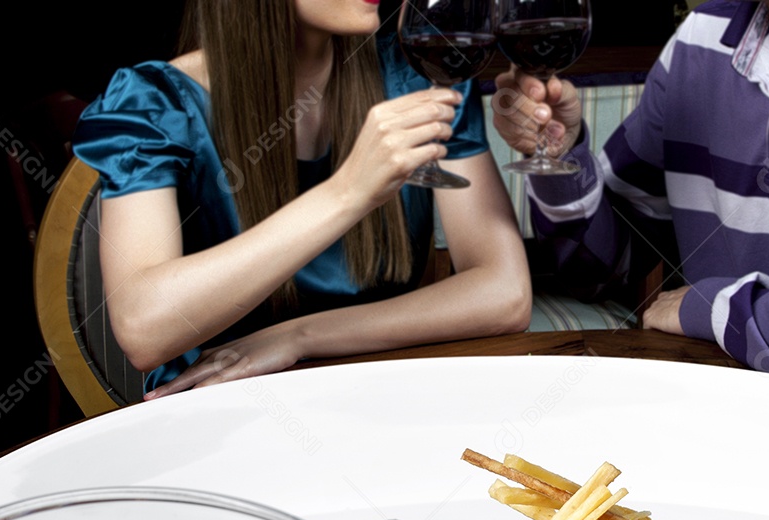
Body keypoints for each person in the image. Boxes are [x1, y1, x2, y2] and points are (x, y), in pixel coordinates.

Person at [72, 0, 531, 397]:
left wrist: (299, 337)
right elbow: (144, 329)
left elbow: (504, 293)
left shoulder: (417, 73)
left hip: (380, 393)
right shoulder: (155, 104)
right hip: (220, 413)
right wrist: (347, 192)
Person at [490, 0, 769, 390]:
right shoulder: (702, 36)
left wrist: (716, 310)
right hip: (704, 407)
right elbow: (595, 270)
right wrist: (561, 159)